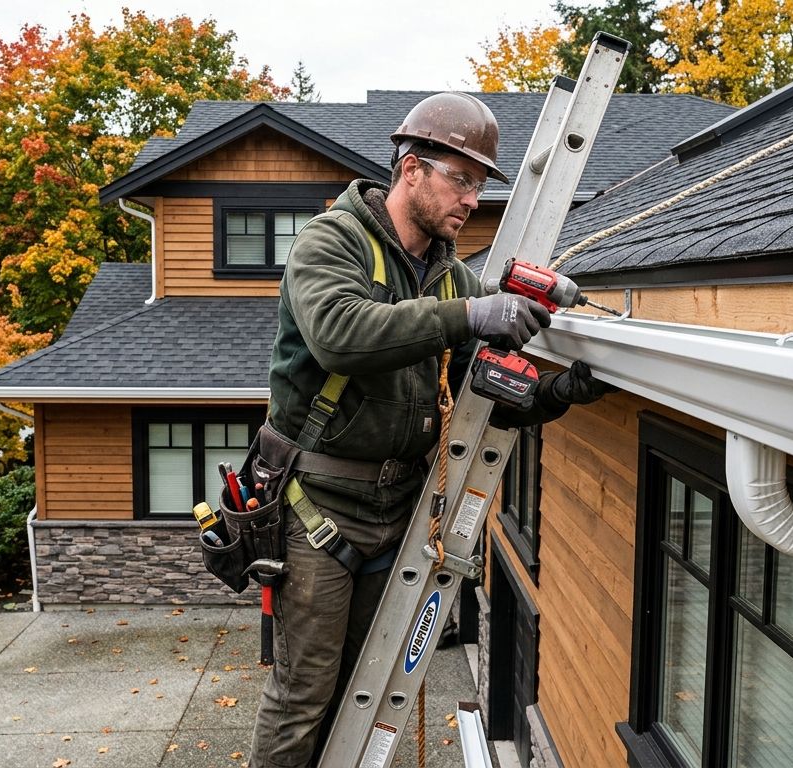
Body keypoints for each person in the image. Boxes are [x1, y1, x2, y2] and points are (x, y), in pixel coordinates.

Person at [250, 92, 606, 767]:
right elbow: (339, 334)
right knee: (304, 696)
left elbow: (483, 393)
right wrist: (473, 315)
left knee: (361, 690)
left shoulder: (451, 277)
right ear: (411, 169)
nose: (472, 200)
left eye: (479, 185)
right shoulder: (332, 241)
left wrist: (558, 392)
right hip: (318, 509)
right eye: (461, 179)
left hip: (398, 514)